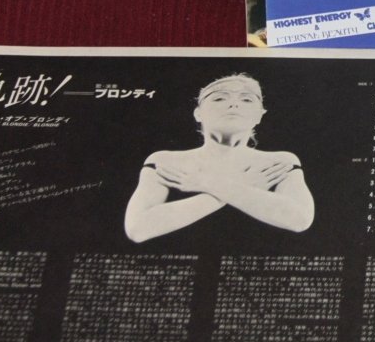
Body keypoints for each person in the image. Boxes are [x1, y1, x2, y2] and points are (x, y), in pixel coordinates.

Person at [124, 73, 314, 242]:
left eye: (247, 100)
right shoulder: (165, 161)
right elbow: (138, 229)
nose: (234, 104)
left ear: (259, 115)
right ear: (198, 113)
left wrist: (207, 184)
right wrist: (242, 186)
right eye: (219, 98)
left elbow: (299, 220)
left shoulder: (280, 162)